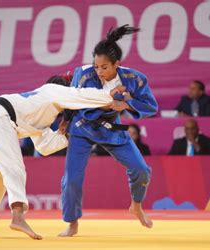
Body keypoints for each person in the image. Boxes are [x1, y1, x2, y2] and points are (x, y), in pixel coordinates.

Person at [0, 78, 125, 239]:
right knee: (14, 168)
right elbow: (81, 94)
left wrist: (72, 135)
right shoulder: (53, 90)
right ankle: (18, 217)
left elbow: (44, 147)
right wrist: (109, 94)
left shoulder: (41, 108)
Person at [58, 25, 158, 237]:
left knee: (141, 170)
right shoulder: (83, 74)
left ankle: (136, 206)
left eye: (104, 67)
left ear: (116, 64)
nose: (99, 72)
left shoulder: (133, 78)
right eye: (96, 66)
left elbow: (150, 105)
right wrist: (66, 120)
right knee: (72, 178)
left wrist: (127, 105)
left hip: (111, 130)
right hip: (82, 127)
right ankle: (72, 222)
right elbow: (74, 101)